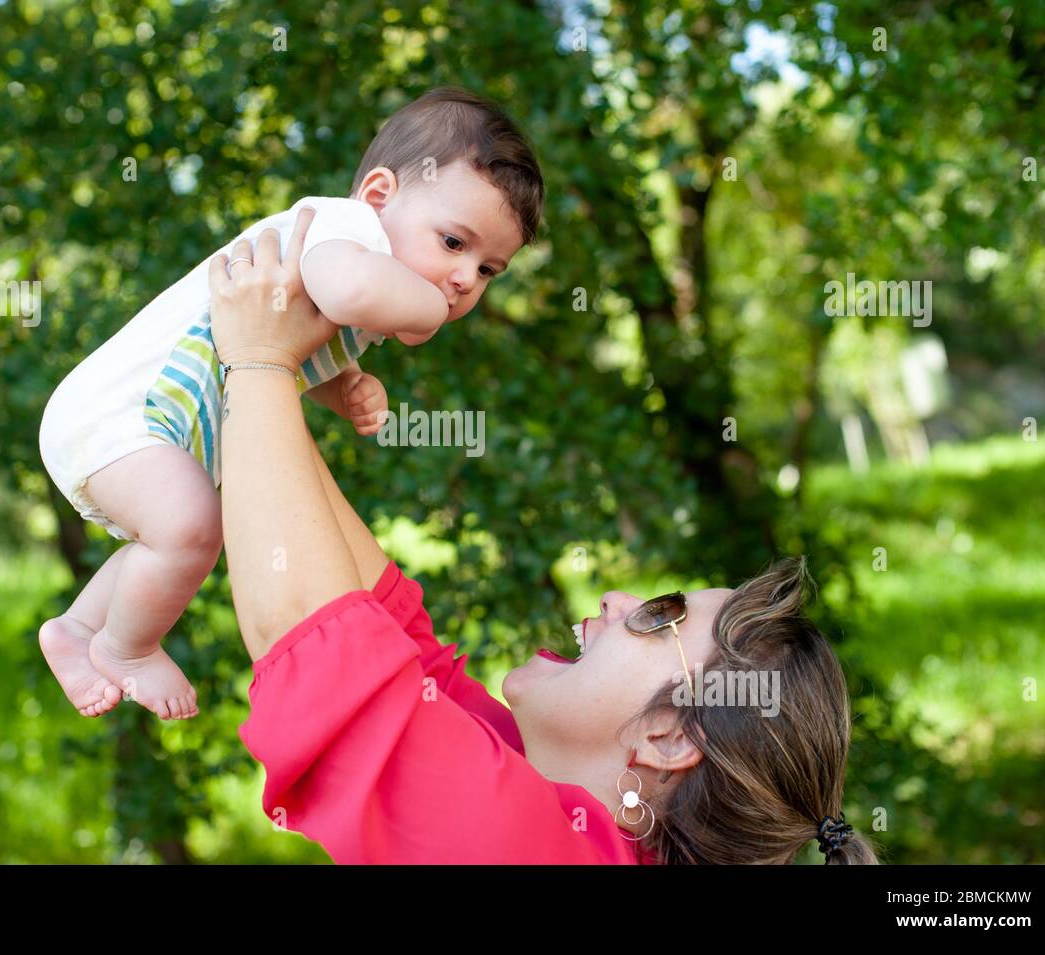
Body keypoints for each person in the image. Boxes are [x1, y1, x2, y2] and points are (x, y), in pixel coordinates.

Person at [205, 210, 880, 865]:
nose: (619, 597)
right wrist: (276, 374)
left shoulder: (527, 849)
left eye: (660, 614)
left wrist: (257, 362)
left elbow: (324, 659)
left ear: (669, 737)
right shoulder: (557, 803)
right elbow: (390, 636)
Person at [35, 88, 543, 719]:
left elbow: (297, 341)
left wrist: (345, 384)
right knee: (191, 525)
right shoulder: (342, 227)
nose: (466, 278)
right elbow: (345, 287)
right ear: (380, 196)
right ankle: (126, 648)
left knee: (173, 533)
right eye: (452, 243)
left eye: (489, 269)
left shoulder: (362, 272)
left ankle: (78, 631)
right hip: (119, 412)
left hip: (152, 429)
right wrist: (432, 310)